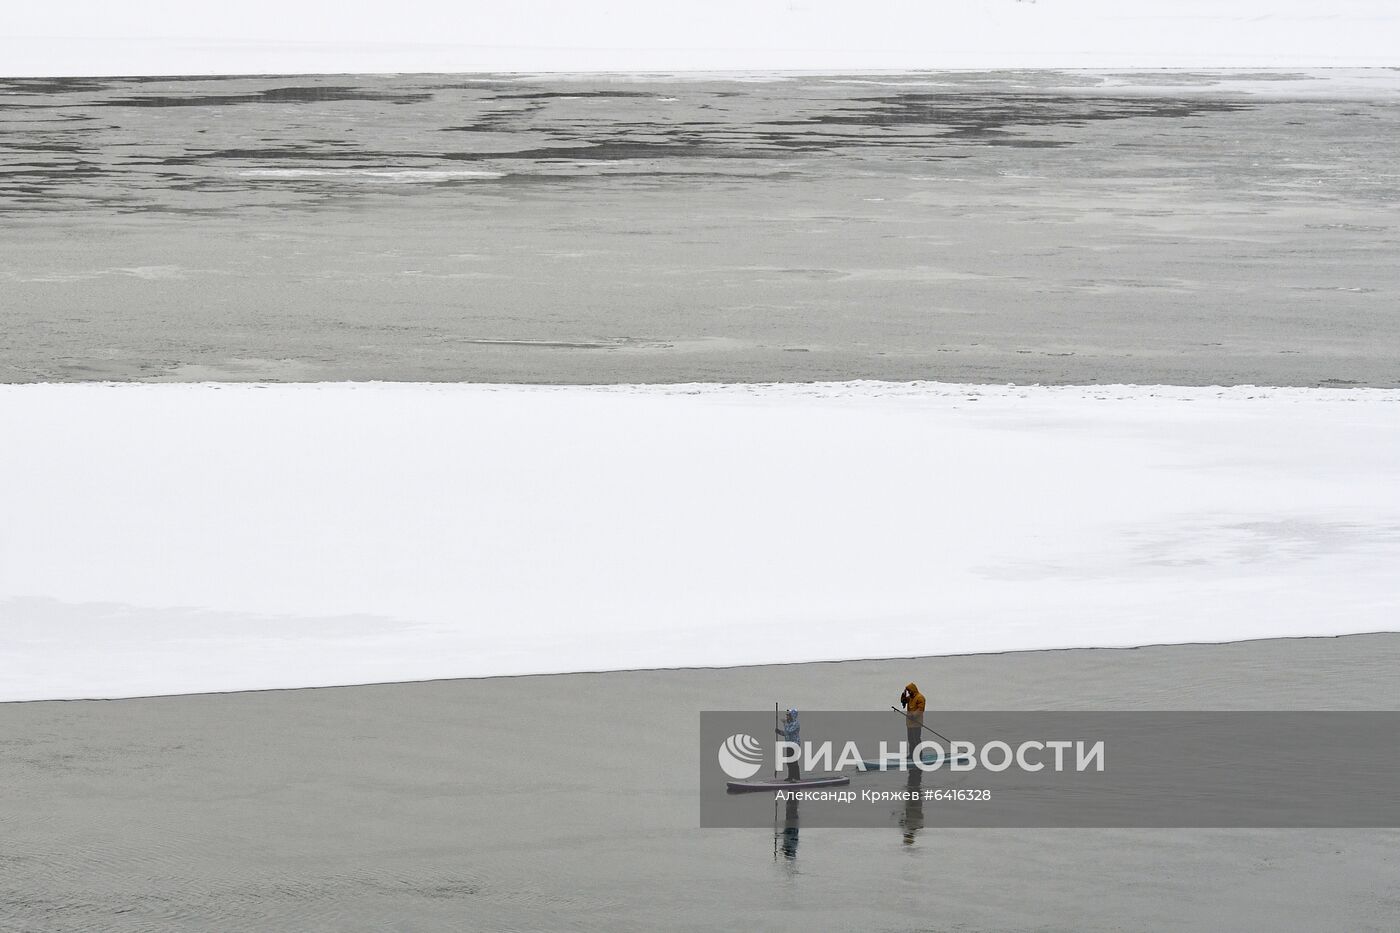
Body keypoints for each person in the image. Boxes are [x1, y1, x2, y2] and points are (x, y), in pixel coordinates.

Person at [900, 683, 926, 760]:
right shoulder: (910, 697)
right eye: (907, 691)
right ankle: (912, 754)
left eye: (909, 691)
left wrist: (913, 715)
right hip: (910, 724)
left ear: (913, 690)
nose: (908, 692)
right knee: (910, 740)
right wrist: (903, 695)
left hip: (916, 723)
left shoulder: (920, 697)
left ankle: (918, 755)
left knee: (916, 739)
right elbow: (904, 701)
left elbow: (920, 709)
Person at [774, 708, 800, 781]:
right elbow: (786, 733)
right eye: (787, 715)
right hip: (789, 744)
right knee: (789, 762)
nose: (787, 717)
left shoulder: (796, 723)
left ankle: (797, 778)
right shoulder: (788, 723)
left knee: (793, 762)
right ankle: (790, 777)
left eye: (788, 715)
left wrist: (785, 723)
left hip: (795, 744)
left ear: (792, 715)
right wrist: (779, 732)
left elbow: (789, 731)